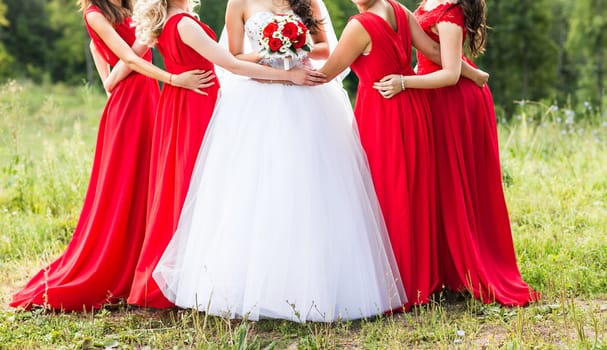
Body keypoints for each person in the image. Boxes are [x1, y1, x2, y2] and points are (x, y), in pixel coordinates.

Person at [151, 0, 407, 322]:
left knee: (310, 186)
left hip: (308, 98)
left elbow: (327, 47)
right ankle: (252, 285)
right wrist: (272, 54)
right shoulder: (238, 3)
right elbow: (234, 58)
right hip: (257, 99)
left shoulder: (308, 1)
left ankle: (313, 285)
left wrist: (298, 49)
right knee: (254, 189)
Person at [120, 0, 325, 308]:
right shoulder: (185, 24)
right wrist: (286, 72)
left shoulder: (171, 21)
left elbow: (133, 57)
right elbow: (232, 63)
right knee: (200, 186)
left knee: (186, 185)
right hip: (197, 101)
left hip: (181, 101)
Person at [9, 0, 208, 311]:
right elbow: (128, 56)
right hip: (129, 107)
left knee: (150, 184)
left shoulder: (132, 7)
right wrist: (172, 79)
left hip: (150, 100)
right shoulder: (95, 13)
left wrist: (111, 76)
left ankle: (147, 265)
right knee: (124, 186)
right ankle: (117, 266)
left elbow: (106, 54)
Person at [314, 0, 487, 310]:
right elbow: (436, 54)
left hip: (382, 111)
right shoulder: (400, 10)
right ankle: (425, 280)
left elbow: (325, 74)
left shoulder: (358, 25)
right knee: (417, 193)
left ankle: (399, 282)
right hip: (413, 108)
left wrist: (278, 71)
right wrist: (472, 75)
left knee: (387, 193)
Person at [378, 0, 538, 305]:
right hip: (434, 98)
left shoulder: (450, 13)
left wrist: (404, 82)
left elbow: (450, 72)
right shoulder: (428, 3)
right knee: (438, 185)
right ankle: (447, 270)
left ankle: (465, 271)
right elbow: (434, 53)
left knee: (455, 187)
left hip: (454, 102)